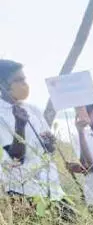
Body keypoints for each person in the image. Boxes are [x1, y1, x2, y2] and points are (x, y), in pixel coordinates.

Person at [0, 59, 65, 202]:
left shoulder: (32, 109)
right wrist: (20, 126)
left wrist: (50, 143)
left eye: (24, 79)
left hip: (51, 188)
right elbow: (16, 158)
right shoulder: (1, 115)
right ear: (3, 85)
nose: (24, 84)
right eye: (18, 80)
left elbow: (48, 150)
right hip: (22, 191)